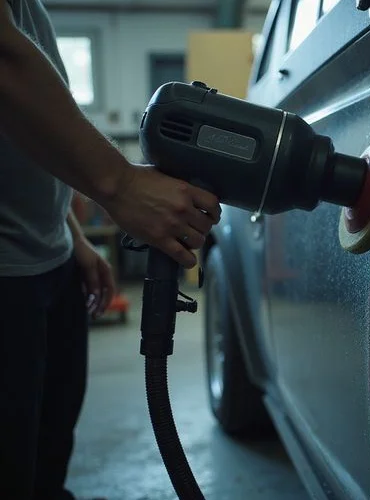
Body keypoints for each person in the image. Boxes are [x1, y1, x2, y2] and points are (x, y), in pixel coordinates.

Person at [0, 1, 222, 499]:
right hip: (5, 275)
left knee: (45, 459)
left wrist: (72, 238)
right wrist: (120, 185)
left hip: (48, 257)